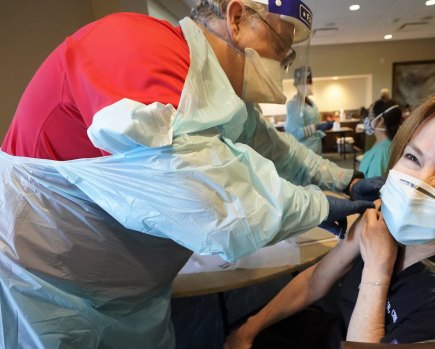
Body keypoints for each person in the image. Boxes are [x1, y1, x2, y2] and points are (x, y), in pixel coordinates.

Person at [0, 1, 375, 348]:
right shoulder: (136, 49)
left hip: (131, 289)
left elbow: (277, 149)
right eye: (281, 46)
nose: (283, 61)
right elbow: (218, 207)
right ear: (237, 18)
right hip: (49, 285)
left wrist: (346, 181)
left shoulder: (219, 92)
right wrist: (321, 207)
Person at [224, 88, 435, 348]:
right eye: (413, 158)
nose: (419, 187)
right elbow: (317, 281)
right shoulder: (382, 220)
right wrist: (250, 328)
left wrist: (377, 268)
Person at [285, 66, 332, 154]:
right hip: (304, 151)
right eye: (304, 81)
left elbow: (312, 123)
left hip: (316, 149)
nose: (307, 84)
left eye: (309, 81)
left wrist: (321, 133)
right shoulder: (294, 105)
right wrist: (317, 127)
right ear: (296, 84)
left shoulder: (311, 103)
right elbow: (295, 133)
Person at [359, 98, 403, 178]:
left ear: (381, 120)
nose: (368, 119)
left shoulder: (380, 154)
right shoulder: (389, 143)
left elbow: (372, 186)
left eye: (371, 115)